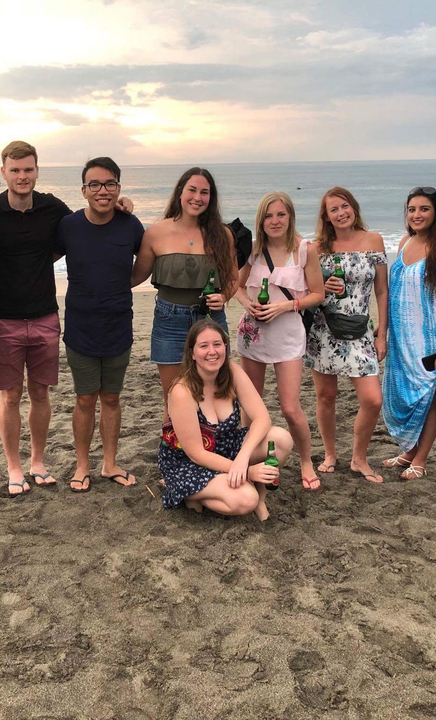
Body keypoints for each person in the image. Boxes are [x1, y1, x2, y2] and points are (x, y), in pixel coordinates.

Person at [0, 141, 134, 496]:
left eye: (28, 169)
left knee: (40, 393)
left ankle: (38, 462)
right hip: (3, 317)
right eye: (15, 170)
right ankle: (14, 467)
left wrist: (118, 205)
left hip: (45, 315)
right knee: (10, 396)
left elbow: (89, 225)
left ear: (37, 170)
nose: (22, 176)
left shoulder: (54, 208)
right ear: (4, 173)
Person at [54, 157, 143, 493]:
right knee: (84, 399)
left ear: (119, 188)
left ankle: (109, 463)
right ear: (83, 190)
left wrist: (122, 285)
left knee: (112, 398)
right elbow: (39, 255)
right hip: (80, 329)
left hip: (120, 326)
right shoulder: (68, 226)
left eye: (110, 184)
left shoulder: (130, 224)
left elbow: (146, 261)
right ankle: (81, 465)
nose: (103, 190)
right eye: (95, 184)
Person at [158, 320, 294, 520]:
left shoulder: (231, 371)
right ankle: (191, 495)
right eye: (203, 346)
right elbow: (196, 453)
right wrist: (247, 471)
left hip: (228, 449)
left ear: (225, 347)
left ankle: (261, 498)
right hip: (189, 462)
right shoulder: (182, 391)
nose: (212, 351)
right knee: (246, 499)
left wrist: (242, 458)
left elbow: (262, 418)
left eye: (217, 344)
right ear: (192, 353)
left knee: (281, 439)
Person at [234, 192, 325, 490]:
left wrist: (285, 306)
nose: (275, 221)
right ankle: (250, 460)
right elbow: (233, 284)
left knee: (289, 407)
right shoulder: (253, 251)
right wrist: (247, 303)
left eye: (280, 215)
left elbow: (317, 294)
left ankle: (306, 461)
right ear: (261, 220)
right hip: (254, 334)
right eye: (269, 216)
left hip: (288, 334)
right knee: (251, 404)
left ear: (290, 217)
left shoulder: (304, 250)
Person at [131, 167, 236, 414]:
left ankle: (211, 447)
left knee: (215, 392)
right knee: (173, 395)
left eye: (204, 192)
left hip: (211, 321)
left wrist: (224, 297)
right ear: (180, 192)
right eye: (192, 190)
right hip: (169, 321)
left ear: (211, 198)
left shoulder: (223, 234)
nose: (197, 197)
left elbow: (232, 279)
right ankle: (174, 450)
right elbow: (135, 277)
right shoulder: (156, 232)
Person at [304, 187, 388, 483]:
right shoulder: (316, 248)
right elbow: (307, 291)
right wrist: (323, 289)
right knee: (326, 396)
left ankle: (359, 458)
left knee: (372, 399)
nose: (341, 213)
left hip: (360, 331)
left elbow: (381, 290)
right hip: (324, 329)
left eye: (344, 206)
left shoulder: (373, 240)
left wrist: (382, 333)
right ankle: (329, 453)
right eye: (333, 210)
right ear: (326, 217)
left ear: (353, 207)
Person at [381, 187, 436, 480]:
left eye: (424, 209)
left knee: (431, 396)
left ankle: (421, 459)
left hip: (432, 338)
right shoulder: (404, 242)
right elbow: (394, 292)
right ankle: (409, 452)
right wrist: (384, 327)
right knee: (406, 395)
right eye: (412, 209)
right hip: (402, 339)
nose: (417, 215)